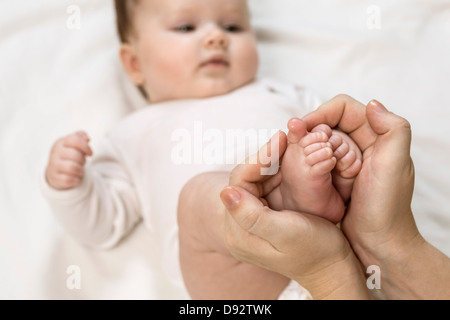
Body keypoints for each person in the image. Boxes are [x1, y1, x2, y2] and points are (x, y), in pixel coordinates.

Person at [41, 0, 360, 299]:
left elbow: (334, 130)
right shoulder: (134, 133)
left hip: (336, 267)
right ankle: (288, 202)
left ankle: (300, 199)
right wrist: (70, 186)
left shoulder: (281, 94)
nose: (215, 37)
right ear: (135, 64)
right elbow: (101, 224)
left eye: (233, 27)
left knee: (303, 143)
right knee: (198, 196)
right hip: (241, 278)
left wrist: (339, 148)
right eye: (185, 28)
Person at [220, 97, 450, 299]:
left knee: (198, 197)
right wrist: (386, 240)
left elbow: (315, 126)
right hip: (376, 276)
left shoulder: (287, 91)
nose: (214, 43)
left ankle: (299, 201)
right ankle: (304, 196)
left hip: (302, 274)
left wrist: (328, 272)